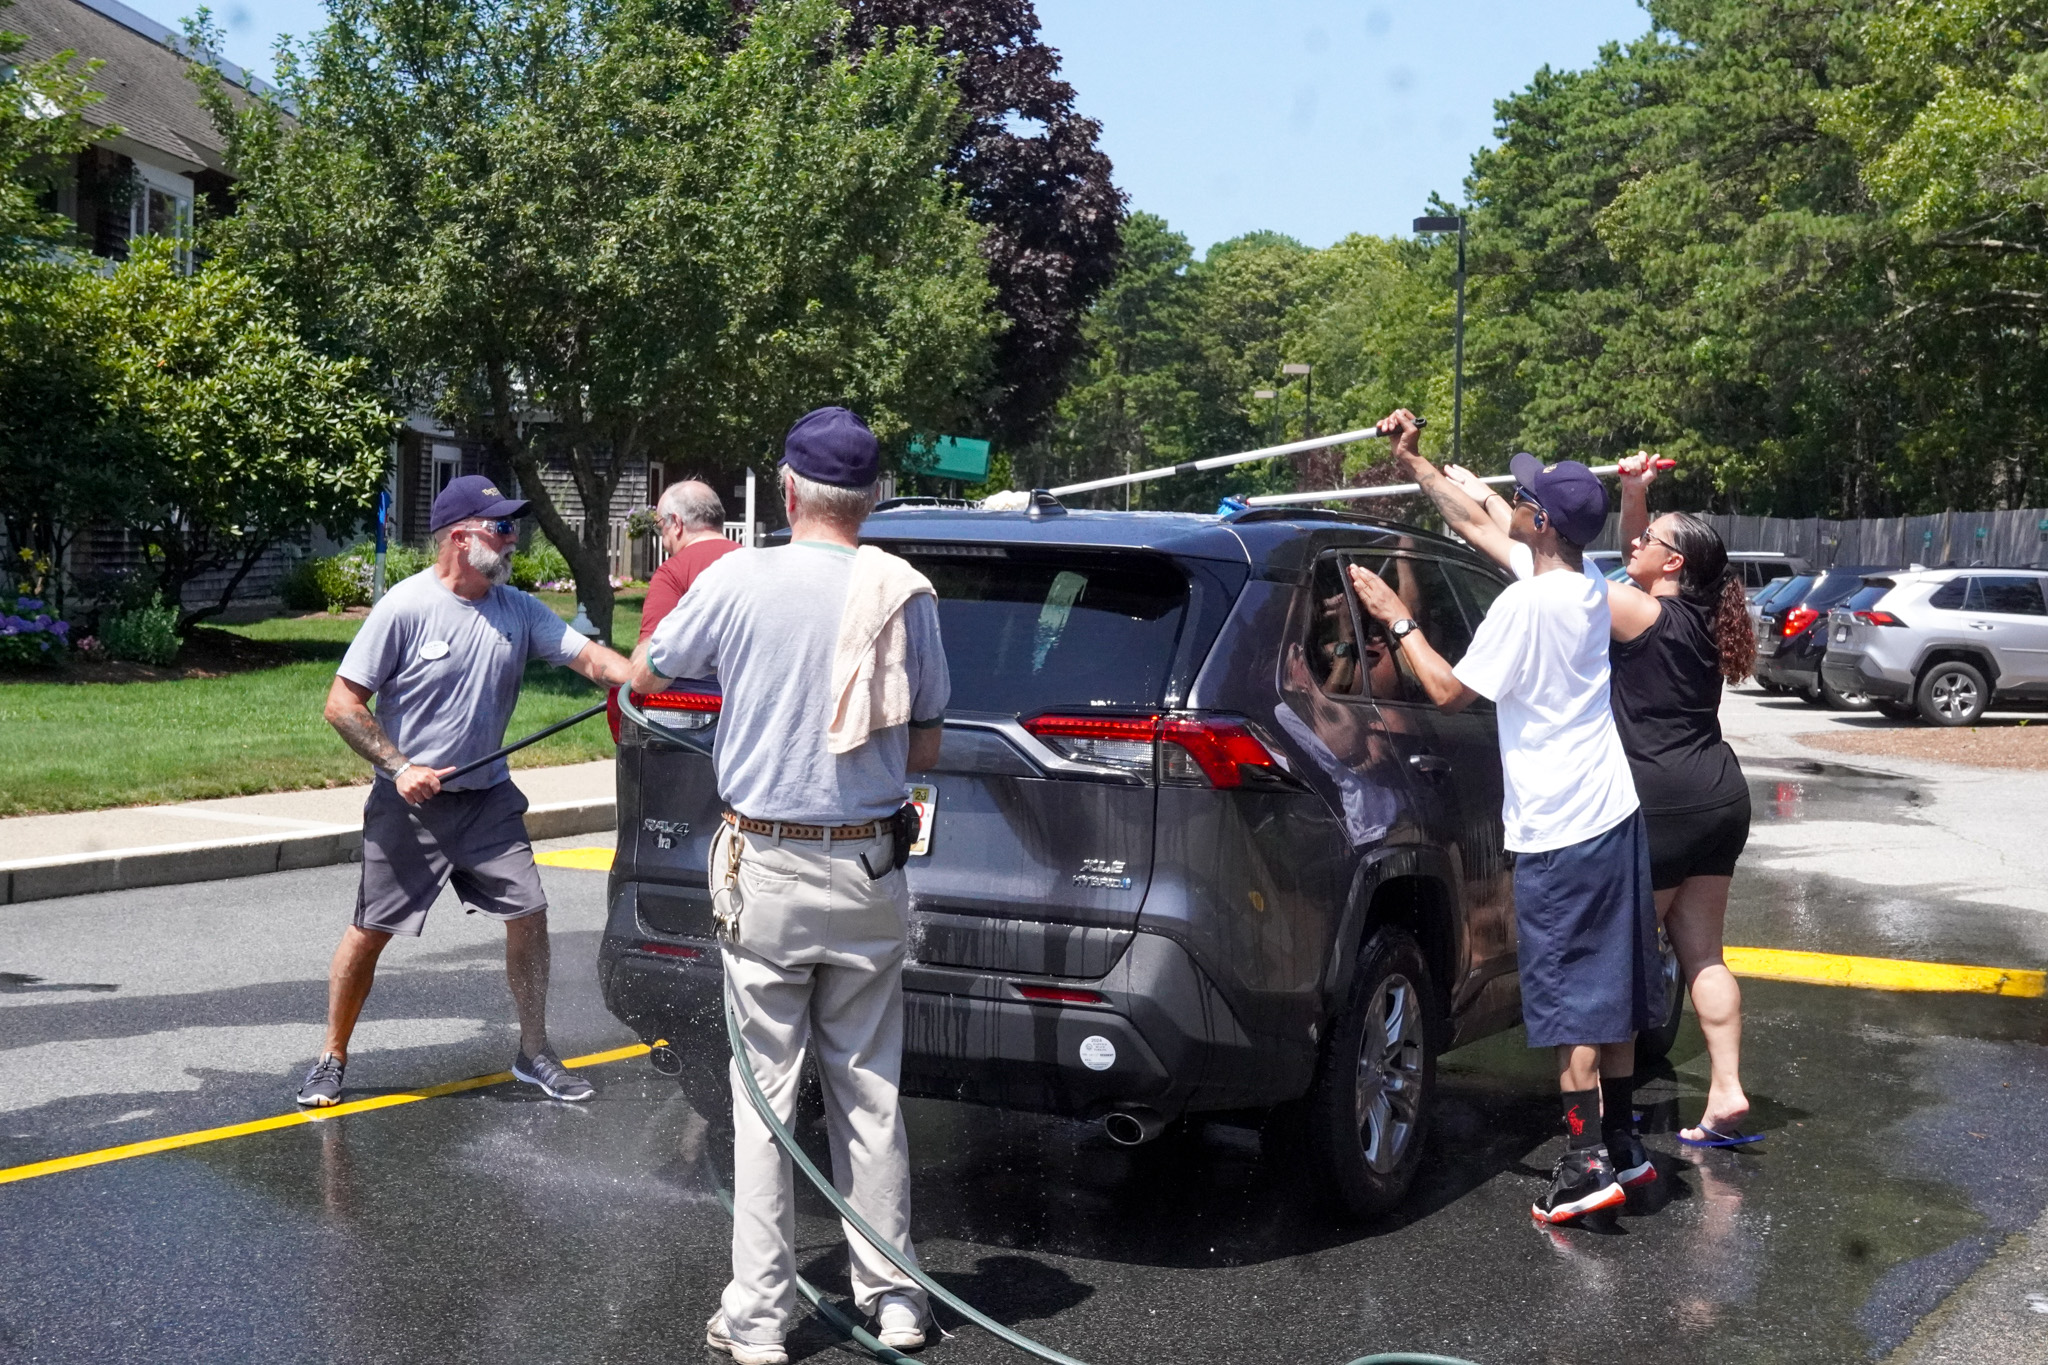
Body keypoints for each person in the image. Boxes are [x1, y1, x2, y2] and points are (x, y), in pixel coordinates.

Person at [634, 406, 948, 1365]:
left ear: (784, 491)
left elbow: (650, 671)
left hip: (764, 865)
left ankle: (761, 1320)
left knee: (764, 1098)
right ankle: (894, 1299)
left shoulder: (739, 576)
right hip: (869, 863)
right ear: (874, 500)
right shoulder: (906, 590)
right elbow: (927, 732)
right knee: (870, 1090)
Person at [1346, 410, 1661, 1226]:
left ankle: (1585, 1161)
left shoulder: (1527, 608)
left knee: (1569, 1001)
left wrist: (1395, 616)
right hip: (1612, 812)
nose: (1508, 498)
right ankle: (1623, 1144)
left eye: (1523, 495)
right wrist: (1415, 464)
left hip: (1562, 827)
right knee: (1616, 987)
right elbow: (1475, 510)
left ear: (1545, 522)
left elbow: (1450, 691)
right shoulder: (1585, 586)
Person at [1403, 444, 1761, 1147]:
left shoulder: (1626, 608)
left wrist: (1481, 503)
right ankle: (1727, 1091)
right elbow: (1580, 549)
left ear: (1674, 565)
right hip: (1720, 794)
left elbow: (1557, 566)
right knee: (1703, 955)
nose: (1637, 539)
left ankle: (1593, 1136)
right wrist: (1631, 493)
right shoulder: (1690, 619)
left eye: (1651, 540)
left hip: (1652, 800)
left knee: (1605, 975)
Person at [295, 475, 635, 1109]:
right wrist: (398, 766)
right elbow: (342, 704)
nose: (512, 539)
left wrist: (646, 679)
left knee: (529, 916)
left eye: (513, 527)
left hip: (488, 801)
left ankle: (533, 1052)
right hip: (411, 807)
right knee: (370, 930)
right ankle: (331, 1056)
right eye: (500, 527)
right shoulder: (405, 607)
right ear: (460, 537)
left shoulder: (517, 609)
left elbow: (591, 660)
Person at [638, 479, 740, 644]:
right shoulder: (756, 564)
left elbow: (650, 658)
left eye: (660, 527)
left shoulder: (673, 574)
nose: (662, 539)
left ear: (677, 523)